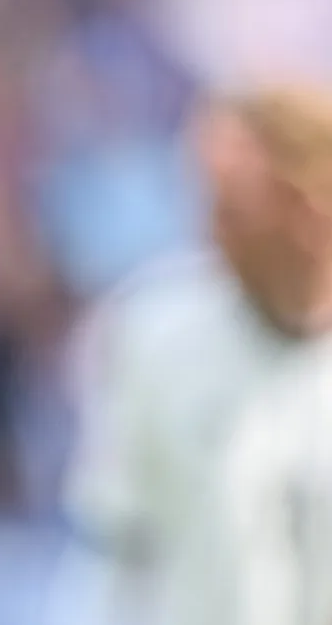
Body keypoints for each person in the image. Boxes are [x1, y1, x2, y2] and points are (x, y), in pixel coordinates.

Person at [49, 86, 332, 625]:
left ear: (310, 207)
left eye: (236, 209)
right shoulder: (156, 334)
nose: (213, 232)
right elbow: (113, 548)